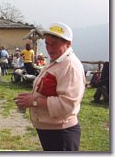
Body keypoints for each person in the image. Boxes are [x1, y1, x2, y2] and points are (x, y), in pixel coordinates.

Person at [14, 22, 85, 151]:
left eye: (55, 44)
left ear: (68, 44)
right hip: (51, 130)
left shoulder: (70, 66)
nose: (50, 48)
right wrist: (32, 96)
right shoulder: (56, 61)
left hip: (61, 132)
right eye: (47, 43)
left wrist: (34, 101)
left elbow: (68, 104)